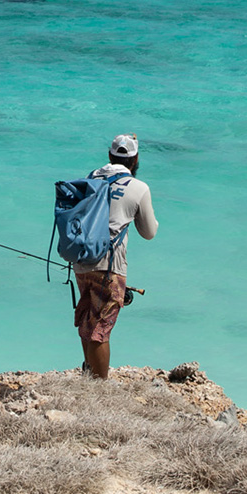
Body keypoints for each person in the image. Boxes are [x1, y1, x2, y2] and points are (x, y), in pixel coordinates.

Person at [74, 133, 158, 379]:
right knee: (101, 328)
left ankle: (88, 376)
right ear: (135, 160)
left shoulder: (91, 177)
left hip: (81, 259)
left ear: (110, 155)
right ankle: (99, 388)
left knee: (89, 321)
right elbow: (149, 233)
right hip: (110, 265)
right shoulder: (139, 188)